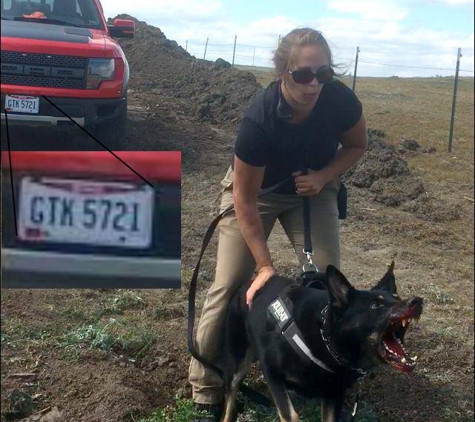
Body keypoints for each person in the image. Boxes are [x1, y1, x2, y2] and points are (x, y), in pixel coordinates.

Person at [189, 27, 367, 422]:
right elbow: (245, 198)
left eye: (324, 74)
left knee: (326, 281)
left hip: (312, 187)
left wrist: (324, 177)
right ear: (282, 72)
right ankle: (207, 386)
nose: (314, 84)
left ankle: (320, 364)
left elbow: (356, 145)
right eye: (303, 74)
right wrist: (265, 266)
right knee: (232, 282)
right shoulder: (260, 119)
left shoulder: (340, 101)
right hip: (258, 194)